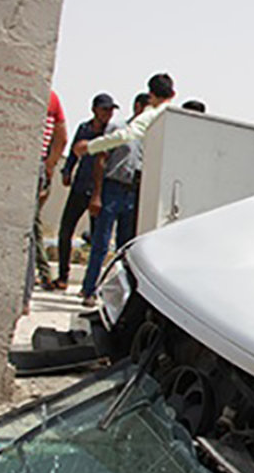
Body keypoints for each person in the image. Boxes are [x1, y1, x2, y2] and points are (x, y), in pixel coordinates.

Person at [73, 74, 176, 304]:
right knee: (101, 244)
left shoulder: (154, 117)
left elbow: (128, 136)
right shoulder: (172, 120)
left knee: (125, 248)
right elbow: (105, 158)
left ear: (151, 96)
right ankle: (90, 291)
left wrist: (88, 147)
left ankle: (117, 297)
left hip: (135, 191)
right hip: (116, 189)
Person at [54, 93, 117, 290]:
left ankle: (90, 284)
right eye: (105, 109)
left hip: (99, 190)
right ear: (95, 110)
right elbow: (74, 152)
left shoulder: (111, 133)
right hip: (80, 187)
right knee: (66, 232)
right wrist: (67, 171)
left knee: (97, 240)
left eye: (111, 110)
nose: (108, 113)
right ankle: (63, 276)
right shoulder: (85, 128)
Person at [27, 90, 67, 300]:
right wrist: (49, 166)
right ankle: (39, 277)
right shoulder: (51, 97)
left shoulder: (47, 97)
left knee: (30, 228)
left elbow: (61, 137)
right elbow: (62, 138)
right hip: (39, 167)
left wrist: (49, 166)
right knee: (31, 226)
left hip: (31, 167)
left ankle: (37, 278)